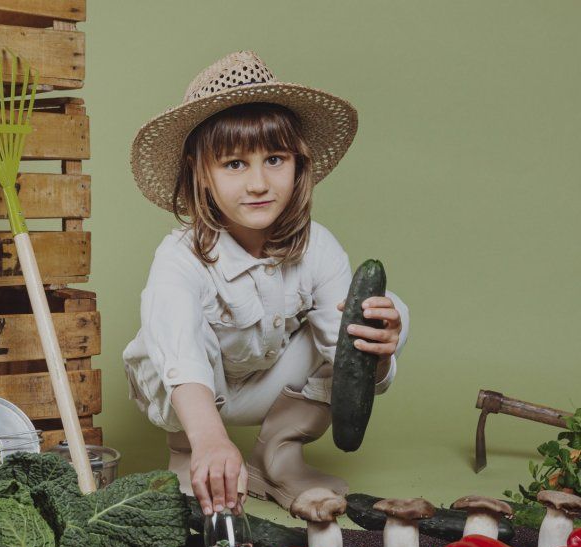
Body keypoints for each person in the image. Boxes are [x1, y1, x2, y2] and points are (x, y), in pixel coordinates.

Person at [124, 51, 409, 521]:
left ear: (298, 163)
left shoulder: (318, 248)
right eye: (234, 164)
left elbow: (346, 361)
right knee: (171, 340)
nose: (258, 183)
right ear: (201, 172)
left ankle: (278, 455)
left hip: (266, 383)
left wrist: (376, 357)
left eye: (274, 159)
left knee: (380, 310)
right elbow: (180, 354)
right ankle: (189, 453)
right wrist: (211, 440)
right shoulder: (181, 255)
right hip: (193, 391)